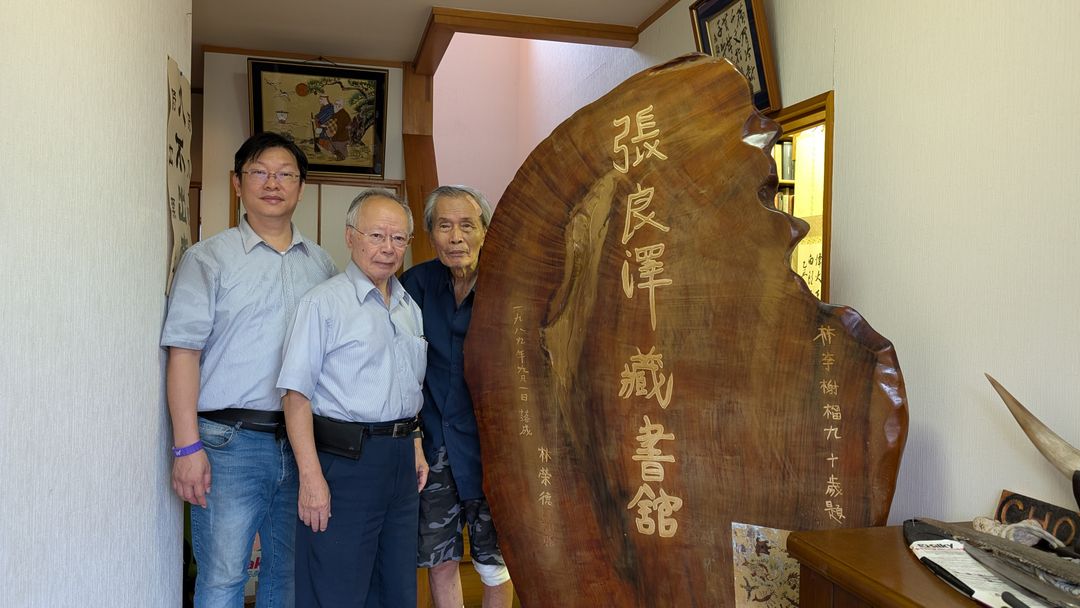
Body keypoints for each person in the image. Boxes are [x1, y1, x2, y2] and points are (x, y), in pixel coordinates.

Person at [161, 131, 337, 608]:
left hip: (301, 445)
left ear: (301, 187)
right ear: (238, 183)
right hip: (227, 444)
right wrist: (187, 446)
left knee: (289, 577)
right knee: (223, 579)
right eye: (259, 172)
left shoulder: (322, 265)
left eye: (285, 174)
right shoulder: (207, 259)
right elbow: (184, 354)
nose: (272, 183)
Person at [277, 188, 429, 608]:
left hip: (401, 461)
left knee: (396, 587)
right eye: (376, 235)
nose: (388, 248)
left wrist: (415, 444)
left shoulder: (408, 307)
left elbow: (408, 389)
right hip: (345, 462)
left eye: (398, 238)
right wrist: (311, 478)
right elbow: (295, 396)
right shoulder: (323, 304)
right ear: (350, 236)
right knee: (336, 587)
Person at [401, 185, 514, 608]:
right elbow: (397, 368)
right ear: (430, 234)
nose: (456, 237)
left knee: (495, 561)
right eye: (444, 226)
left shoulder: (508, 287)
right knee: (440, 558)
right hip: (432, 444)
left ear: (485, 230)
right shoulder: (415, 284)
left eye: (467, 225)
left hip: (492, 449)